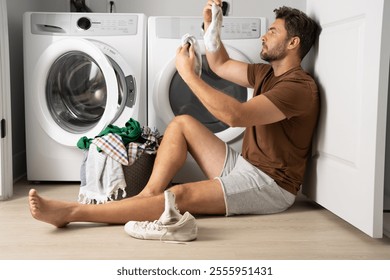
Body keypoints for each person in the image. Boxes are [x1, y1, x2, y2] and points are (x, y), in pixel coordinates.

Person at [28, 0, 320, 238]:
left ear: (293, 42)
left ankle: (71, 213)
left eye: (272, 31)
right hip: (245, 167)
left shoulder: (298, 87)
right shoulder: (266, 73)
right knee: (181, 124)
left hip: (270, 185)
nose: (263, 36)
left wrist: (188, 75)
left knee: (178, 195)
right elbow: (220, 64)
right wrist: (212, 26)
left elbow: (236, 115)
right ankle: (148, 196)